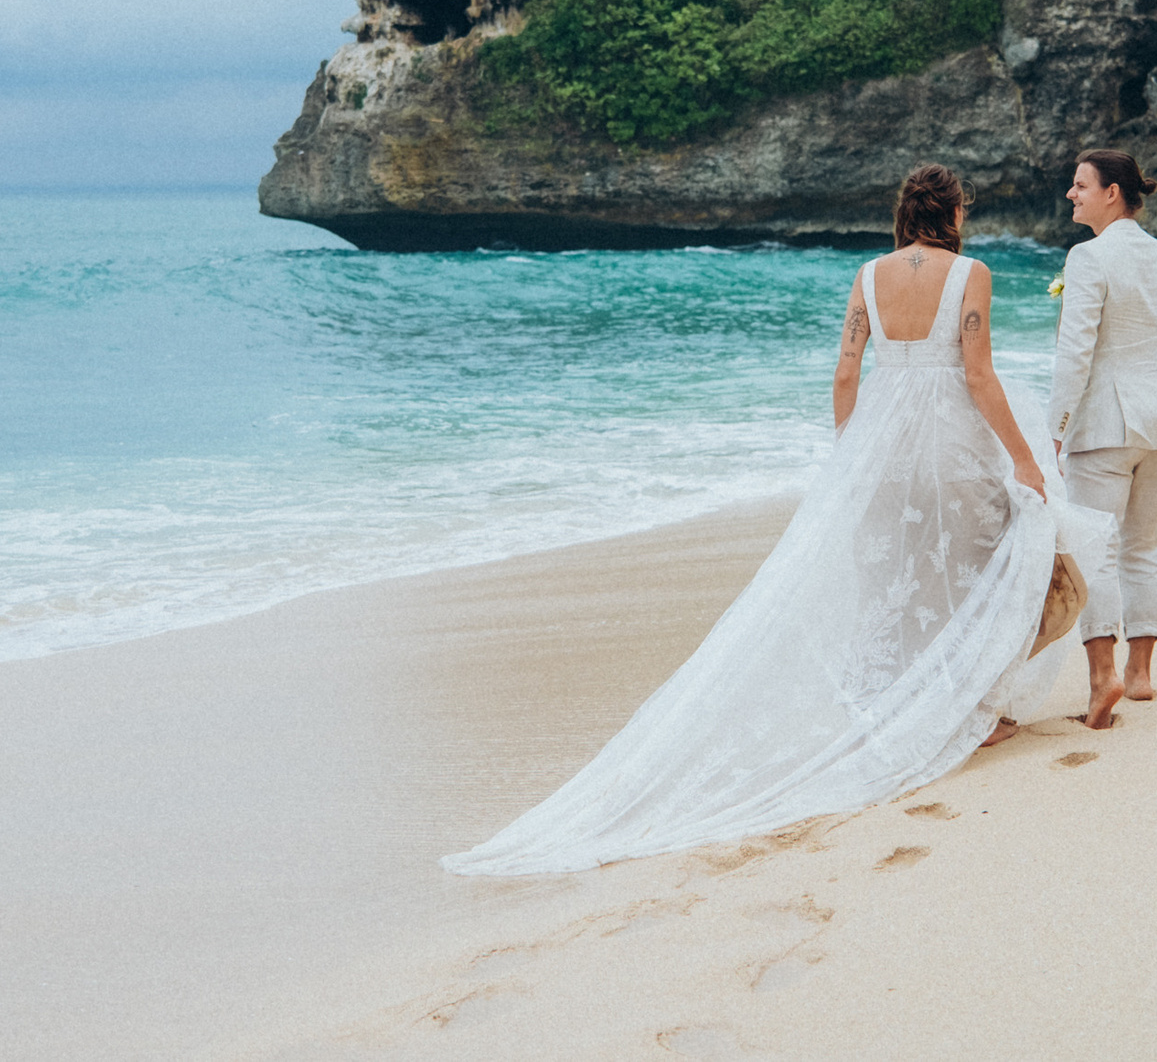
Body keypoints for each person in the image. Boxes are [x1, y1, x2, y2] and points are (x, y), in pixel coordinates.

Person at [444, 165, 1116, 877]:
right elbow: (977, 375)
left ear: (903, 212)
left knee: (906, 577)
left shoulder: (867, 277)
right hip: (953, 451)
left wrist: (850, 456)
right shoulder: (971, 273)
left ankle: (927, 704)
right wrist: (1025, 460)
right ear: (952, 213)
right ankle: (980, 710)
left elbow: (845, 373)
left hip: (884, 454)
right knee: (984, 565)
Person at [1046, 149, 1157, 711]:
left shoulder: (1089, 258)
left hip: (1106, 427)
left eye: (1080, 184)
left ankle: (1101, 676)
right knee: (1143, 550)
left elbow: (1074, 353)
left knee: (1097, 553)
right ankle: (1139, 674)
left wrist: (1056, 428)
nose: (1071, 193)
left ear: (1112, 193)